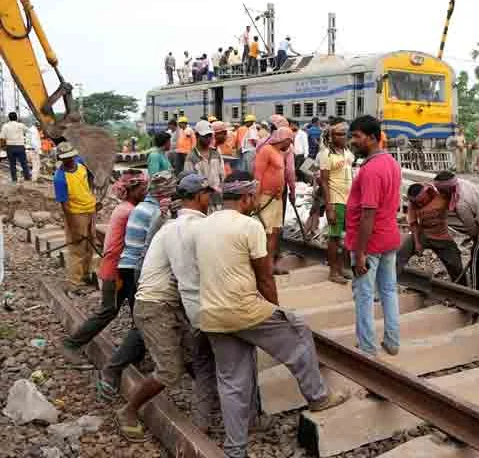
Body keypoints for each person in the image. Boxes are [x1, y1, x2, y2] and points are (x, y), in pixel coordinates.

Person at [197, 173, 349, 458]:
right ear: (244, 198)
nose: (255, 201)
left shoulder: (204, 225)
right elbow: (265, 278)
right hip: (244, 310)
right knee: (298, 331)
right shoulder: (250, 226)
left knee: (232, 382)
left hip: (211, 314)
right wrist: (278, 311)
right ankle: (318, 397)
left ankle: (235, 449)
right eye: (252, 196)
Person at [115, 174, 218, 441]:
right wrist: (201, 317)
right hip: (156, 305)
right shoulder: (187, 227)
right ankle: (128, 410)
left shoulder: (178, 224)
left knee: (195, 357)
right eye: (208, 194)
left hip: (166, 303)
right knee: (169, 370)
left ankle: (210, 404)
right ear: (198, 196)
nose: (211, 199)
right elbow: (189, 281)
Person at [95, 171, 178, 401]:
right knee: (143, 325)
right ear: (164, 193)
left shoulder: (146, 209)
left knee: (143, 322)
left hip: (133, 269)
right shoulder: (152, 212)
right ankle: (113, 368)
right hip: (138, 271)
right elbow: (148, 250)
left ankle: (138, 360)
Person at [62, 172, 148, 363]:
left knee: (135, 313)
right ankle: (72, 343)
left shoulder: (124, 207)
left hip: (116, 267)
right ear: (132, 190)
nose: (145, 192)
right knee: (109, 311)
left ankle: (136, 355)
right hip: (117, 270)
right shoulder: (131, 212)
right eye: (142, 189)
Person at [346, 115, 401, 356]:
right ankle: (392, 340)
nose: (352, 141)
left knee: (364, 296)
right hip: (389, 237)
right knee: (388, 290)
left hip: (371, 242)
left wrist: (359, 253)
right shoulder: (390, 162)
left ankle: (367, 348)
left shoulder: (371, 170)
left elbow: (368, 214)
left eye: (357, 136)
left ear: (371, 137)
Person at [432, 171, 479, 291]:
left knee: (477, 257)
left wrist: (476, 239)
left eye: (440, 191)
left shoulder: (461, 204)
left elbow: (471, 228)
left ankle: (475, 287)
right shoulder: (461, 182)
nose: (439, 193)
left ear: (447, 190)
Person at [397, 183, 464, 284]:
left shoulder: (440, 196)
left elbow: (458, 207)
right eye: (416, 203)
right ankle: (391, 278)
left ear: (427, 194)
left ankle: (462, 286)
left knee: (455, 264)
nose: (419, 205)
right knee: (402, 252)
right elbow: (414, 224)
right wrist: (417, 243)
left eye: (421, 201)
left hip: (442, 235)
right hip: (423, 234)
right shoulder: (413, 203)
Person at [53, 142, 97, 289]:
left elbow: (90, 174)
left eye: (71, 156)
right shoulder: (60, 178)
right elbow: (65, 206)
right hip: (75, 213)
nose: (69, 160)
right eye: (66, 158)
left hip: (90, 209)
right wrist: (73, 226)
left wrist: (90, 193)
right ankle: (74, 283)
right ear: (60, 158)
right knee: (77, 247)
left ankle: (86, 274)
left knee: (90, 244)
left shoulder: (80, 163)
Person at [254, 125, 294, 272]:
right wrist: (256, 199)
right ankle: (262, 267)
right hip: (266, 198)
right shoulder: (266, 150)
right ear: (284, 140)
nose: (290, 146)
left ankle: (270, 266)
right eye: (289, 142)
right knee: (265, 232)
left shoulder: (280, 153)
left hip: (277, 199)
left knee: (275, 233)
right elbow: (258, 175)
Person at [318, 121, 354, 283]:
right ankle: (333, 271)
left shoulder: (347, 151)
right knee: (334, 237)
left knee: (347, 236)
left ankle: (343, 268)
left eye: (344, 133)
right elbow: (324, 181)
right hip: (336, 200)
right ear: (331, 137)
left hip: (349, 200)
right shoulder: (327, 154)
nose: (343, 136)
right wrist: (329, 206)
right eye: (338, 134)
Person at [185, 121, 225, 209]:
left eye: (210, 135)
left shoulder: (216, 154)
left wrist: (220, 189)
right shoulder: (191, 158)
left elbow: (222, 176)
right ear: (197, 135)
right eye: (205, 136)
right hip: (201, 203)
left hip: (218, 201)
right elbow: (190, 183)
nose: (208, 138)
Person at [1, 112, 31, 183]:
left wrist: (3, 147)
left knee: (12, 164)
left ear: (9, 118)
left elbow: (2, 138)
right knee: (24, 163)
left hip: (10, 147)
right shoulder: (20, 125)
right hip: (20, 146)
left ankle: (14, 179)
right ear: (16, 117)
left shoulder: (5, 126)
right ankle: (27, 177)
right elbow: (28, 131)